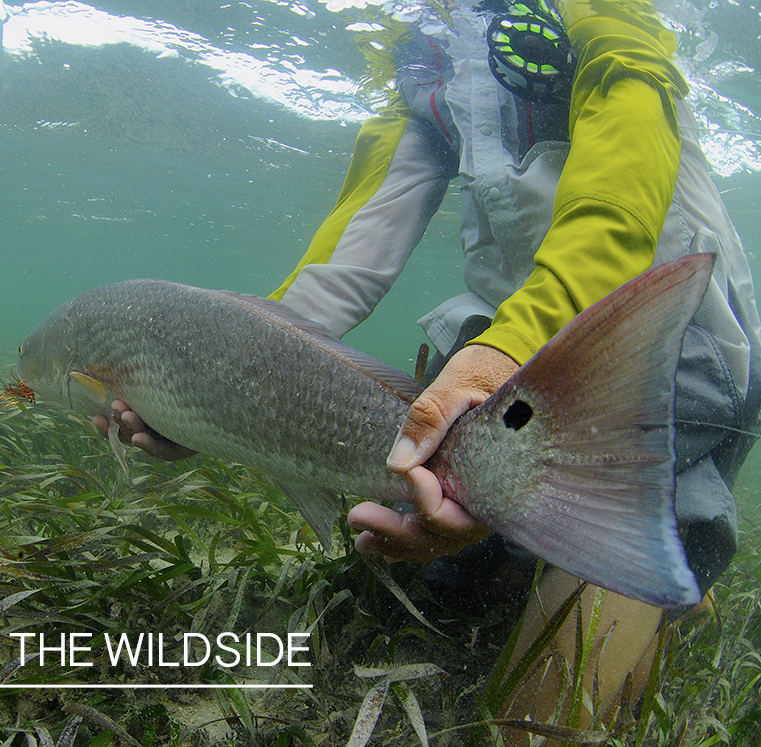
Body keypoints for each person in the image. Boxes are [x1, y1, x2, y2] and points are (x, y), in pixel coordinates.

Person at [99, 0, 760, 737]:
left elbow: (623, 186)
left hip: (665, 343)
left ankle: (656, 554)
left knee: (529, 720)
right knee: (437, 588)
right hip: (506, 354)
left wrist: (508, 347)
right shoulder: (423, 56)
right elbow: (355, 245)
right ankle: (652, 560)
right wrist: (223, 384)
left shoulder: (602, 14)